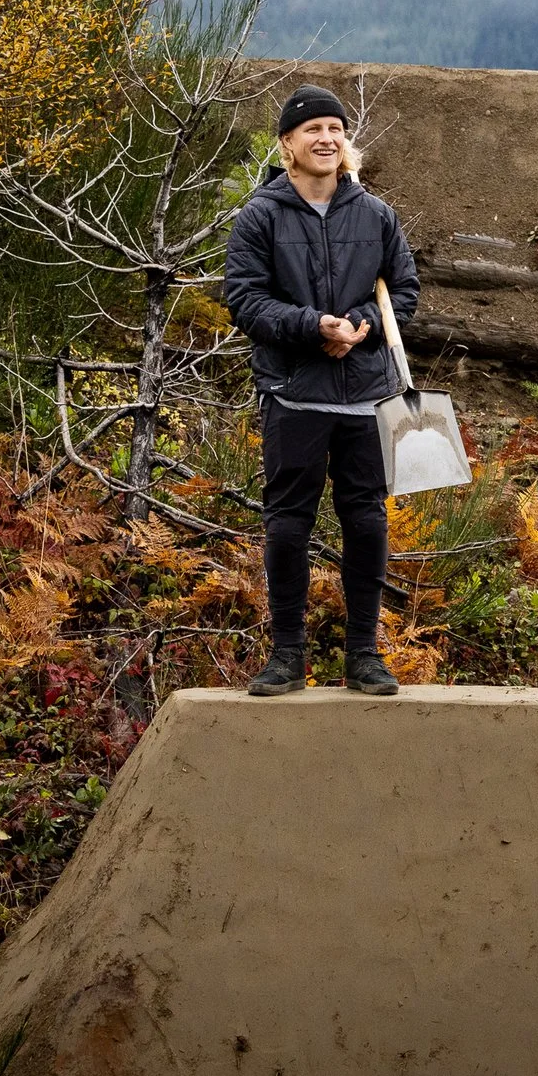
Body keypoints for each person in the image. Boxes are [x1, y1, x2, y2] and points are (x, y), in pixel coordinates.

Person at [222, 85, 419, 697]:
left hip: (367, 398)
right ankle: (286, 658)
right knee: (287, 525)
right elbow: (245, 300)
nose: (327, 138)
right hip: (294, 396)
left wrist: (359, 326)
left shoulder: (377, 215)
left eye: (335, 127)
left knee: (366, 523)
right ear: (288, 143)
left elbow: (405, 293)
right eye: (313, 129)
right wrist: (312, 327)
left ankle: (364, 655)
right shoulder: (260, 215)